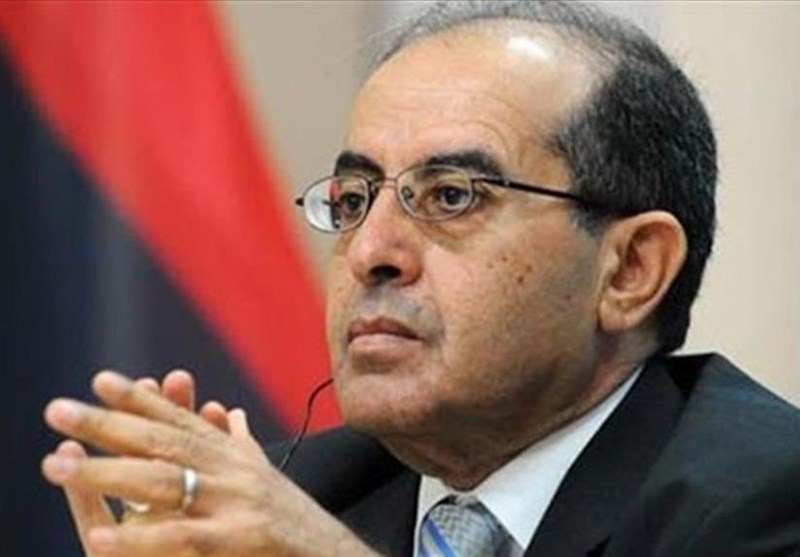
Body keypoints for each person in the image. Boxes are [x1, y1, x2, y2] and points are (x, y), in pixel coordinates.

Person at [41, 1, 800, 556]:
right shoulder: (303, 493)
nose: (370, 251)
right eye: (353, 200)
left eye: (452, 197)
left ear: (631, 270)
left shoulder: (764, 498)